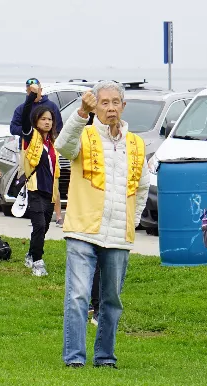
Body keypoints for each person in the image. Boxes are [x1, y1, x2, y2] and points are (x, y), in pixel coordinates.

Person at [57, 82, 149, 369]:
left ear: (123, 106)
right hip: (83, 229)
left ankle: (105, 357)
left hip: (118, 234)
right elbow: (62, 146)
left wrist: (131, 223)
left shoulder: (136, 143)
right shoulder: (83, 134)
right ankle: (74, 358)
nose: (110, 107)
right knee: (78, 295)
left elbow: (143, 187)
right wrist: (80, 113)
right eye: (104, 102)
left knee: (112, 300)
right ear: (95, 107)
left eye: (115, 102)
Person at [12, 94, 62, 277]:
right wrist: (30, 98)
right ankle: (38, 262)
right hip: (34, 189)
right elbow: (25, 118)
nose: (47, 122)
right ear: (36, 121)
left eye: (50, 119)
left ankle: (31, 254)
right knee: (39, 225)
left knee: (43, 227)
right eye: (43, 119)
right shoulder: (30, 135)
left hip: (50, 191)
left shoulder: (53, 142)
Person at [9, 78, 62, 146]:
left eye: (35, 91)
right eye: (30, 91)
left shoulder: (52, 106)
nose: (33, 93)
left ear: (41, 90)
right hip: (27, 146)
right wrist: (30, 131)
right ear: (27, 91)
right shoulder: (21, 108)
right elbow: (13, 128)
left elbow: (58, 127)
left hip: (48, 145)